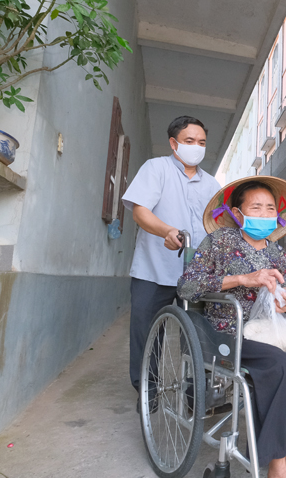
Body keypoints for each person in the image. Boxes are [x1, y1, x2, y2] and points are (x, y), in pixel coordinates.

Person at [178, 177, 286, 478]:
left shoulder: (277, 253)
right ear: (237, 213)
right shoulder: (220, 242)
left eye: (270, 208)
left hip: (270, 329)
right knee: (279, 366)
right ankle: (275, 461)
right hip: (228, 331)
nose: (264, 214)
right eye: (256, 207)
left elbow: (281, 295)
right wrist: (242, 279)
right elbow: (186, 286)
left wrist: (285, 301)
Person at [122, 115, 220, 401]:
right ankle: (147, 391)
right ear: (174, 143)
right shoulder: (156, 168)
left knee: (199, 336)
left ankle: (195, 397)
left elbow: (219, 225)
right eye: (189, 141)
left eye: (201, 142)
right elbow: (140, 211)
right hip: (154, 270)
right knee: (147, 333)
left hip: (197, 275)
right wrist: (166, 230)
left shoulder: (212, 184)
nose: (196, 147)